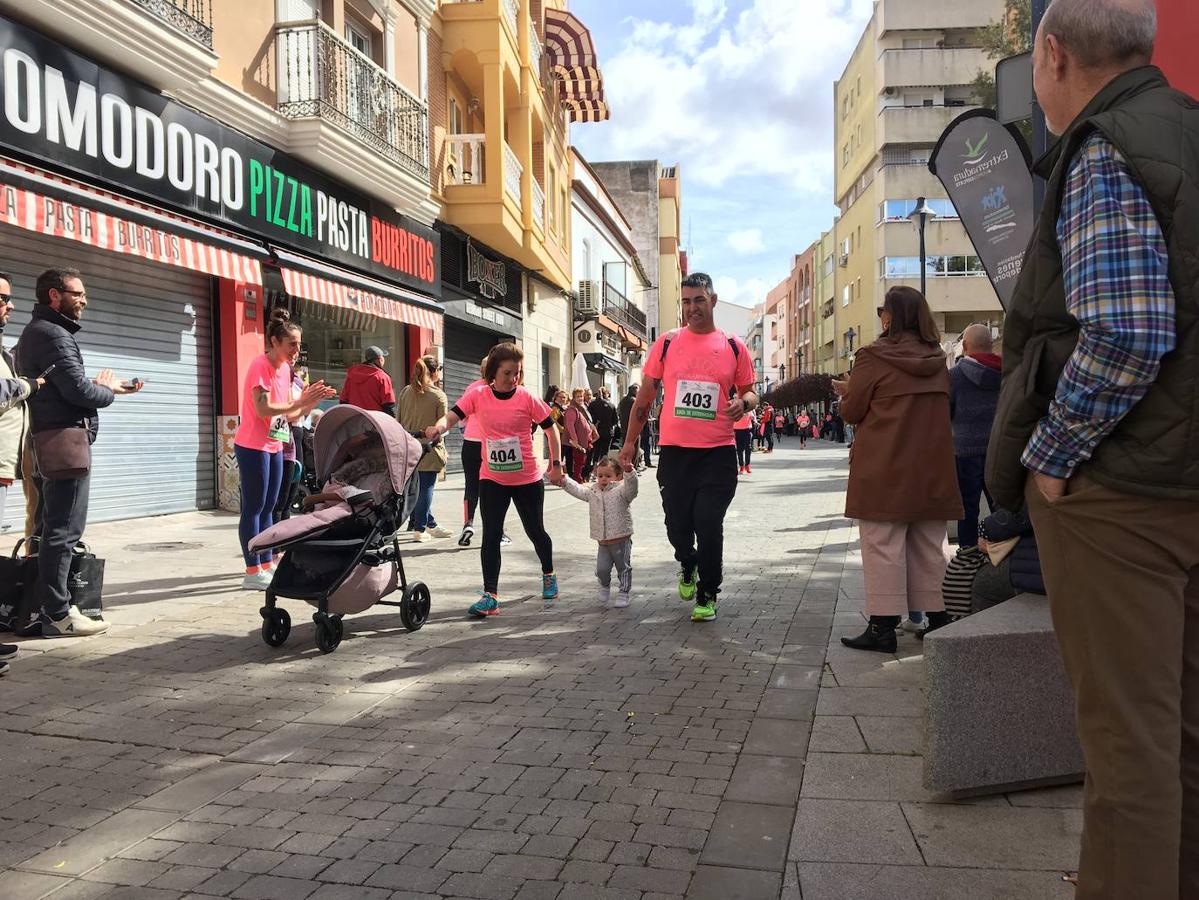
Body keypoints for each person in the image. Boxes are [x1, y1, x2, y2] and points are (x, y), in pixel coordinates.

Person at [986, 3, 1198, 895]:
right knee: (1181, 735)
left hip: (1122, 493)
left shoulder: (1106, 147)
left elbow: (1125, 331)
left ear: (1053, 53)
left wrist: (1050, 455)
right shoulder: (1184, 130)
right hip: (1177, 476)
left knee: (1127, 749)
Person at [14, 268, 148, 636]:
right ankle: (58, 615)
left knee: (50, 528)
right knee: (64, 530)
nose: (85, 300)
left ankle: (46, 609)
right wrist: (106, 392)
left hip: (52, 439)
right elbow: (78, 393)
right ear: (55, 296)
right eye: (78, 294)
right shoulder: (53, 335)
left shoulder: (41, 333)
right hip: (64, 442)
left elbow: (64, 385)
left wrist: (108, 387)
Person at [619, 272, 756, 623]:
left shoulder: (733, 346)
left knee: (708, 521)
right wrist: (629, 443)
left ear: (713, 300)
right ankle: (687, 562)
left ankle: (708, 592)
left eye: (699, 300)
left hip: (718, 452)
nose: (692, 308)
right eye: (686, 301)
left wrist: (745, 403)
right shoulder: (666, 343)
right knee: (677, 525)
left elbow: (751, 390)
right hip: (676, 452)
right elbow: (644, 399)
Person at [834, 286, 963, 652]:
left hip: (884, 465)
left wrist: (848, 392)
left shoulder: (873, 357)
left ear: (890, 316)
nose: (880, 317)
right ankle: (938, 620)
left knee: (883, 544)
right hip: (931, 468)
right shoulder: (937, 359)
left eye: (881, 311)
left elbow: (853, 410)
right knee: (929, 544)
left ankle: (882, 628)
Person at [427, 343, 564, 617]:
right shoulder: (477, 396)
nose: (513, 378)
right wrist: (438, 427)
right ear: (493, 372)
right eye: (507, 373)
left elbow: (552, 431)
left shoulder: (527, 398)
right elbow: (451, 417)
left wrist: (556, 465)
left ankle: (548, 573)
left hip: (527, 479)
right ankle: (490, 595)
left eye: (517, 372)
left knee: (535, 531)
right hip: (492, 478)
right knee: (490, 535)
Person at [233, 309, 334, 591]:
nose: (297, 350)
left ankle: (267, 562)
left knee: (272, 506)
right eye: (292, 343)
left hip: (275, 443)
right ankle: (252, 569)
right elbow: (263, 408)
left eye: (299, 344)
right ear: (275, 342)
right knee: (254, 508)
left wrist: (310, 401)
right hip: (253, 445)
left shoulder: (286, 371)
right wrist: (299, 401)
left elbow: (289, 416)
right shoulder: (260, 366)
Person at [949, 324, 1001, 547]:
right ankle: (1004, 553)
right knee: (1001, 506)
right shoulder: (1006, 373)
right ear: (991, 346)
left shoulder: (955, 376)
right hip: (999, 449)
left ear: (966, 346)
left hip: (965, 451)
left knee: (968, 508)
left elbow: (947, 412)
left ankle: (967, 556)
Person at [561, 458, 639, 608]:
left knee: (623, 567)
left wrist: (630, 472)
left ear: (618, 477)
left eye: (608, 476)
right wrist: (564, 480)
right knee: (602, 569)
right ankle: (604, 585)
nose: (603, 479)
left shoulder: (622, 491)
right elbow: (578, 490)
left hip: (620, 538)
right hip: (602, 540)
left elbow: (632, 489)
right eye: (600, 475)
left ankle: (624, 592)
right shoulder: (593, 491)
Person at [398, 356, 453, 543]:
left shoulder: (405, 391)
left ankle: (430, 523)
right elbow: (443, 425)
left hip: (407, 447)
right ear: (435, 371)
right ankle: (420, 528)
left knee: (416, 488)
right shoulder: (438, 395)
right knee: (426, 488)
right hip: (428, 448)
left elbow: (398, 421)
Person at [339, 345, 396, 414]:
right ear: (380, 359)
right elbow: (388, 404)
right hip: (375, 419)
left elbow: (343, 401)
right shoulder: (382, 377)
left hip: (355, 418)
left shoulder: (351, 376)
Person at [563, 388, 594, 482]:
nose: (580, 398)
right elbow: (570, 426)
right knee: (578, 461)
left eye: (581, 396)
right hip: (576, 442)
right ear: (574, 397)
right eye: (577, 396)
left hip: (583, 440)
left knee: (581, 460)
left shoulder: (581, 407)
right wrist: (575, 440)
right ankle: (576, 478)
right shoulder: (572, 409)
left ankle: (579, 477)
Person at [587, 386, 618, 474]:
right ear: (607, 394)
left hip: (596, 431)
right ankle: (603, 470)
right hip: (608, 432)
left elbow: (589, 418)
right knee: (605, 452)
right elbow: (615, 420)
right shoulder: (611, 405)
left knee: (595, 451)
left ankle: (594, 469)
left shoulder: (592, 404)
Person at [734, 406, 753, 475]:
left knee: (748, 448)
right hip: (737, 430)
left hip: (747, 430)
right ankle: (741, 466)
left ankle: (747, 465)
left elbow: (752, 417)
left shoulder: (749, 409)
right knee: (739, 449)